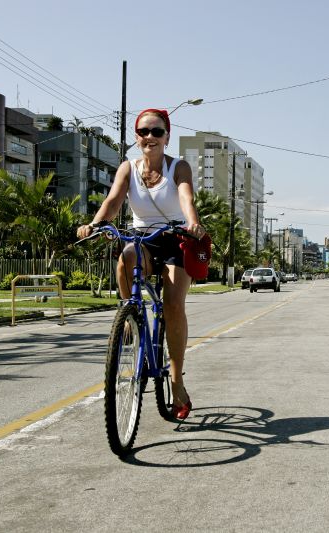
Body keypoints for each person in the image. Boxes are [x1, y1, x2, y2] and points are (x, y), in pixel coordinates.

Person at [76, 108, 206, 420]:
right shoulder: (128, 168)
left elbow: (186, 197)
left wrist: (192, 222)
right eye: (144, 132)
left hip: (176, 236)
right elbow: (112, 202)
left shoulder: (179, 167)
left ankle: (176, 382)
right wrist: (94, 225)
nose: (150, 137)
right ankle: (130, 317)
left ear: (166, 137)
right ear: (137, 138)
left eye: (157, 132)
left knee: (173, 304)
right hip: (143, 236)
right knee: (126, 258)